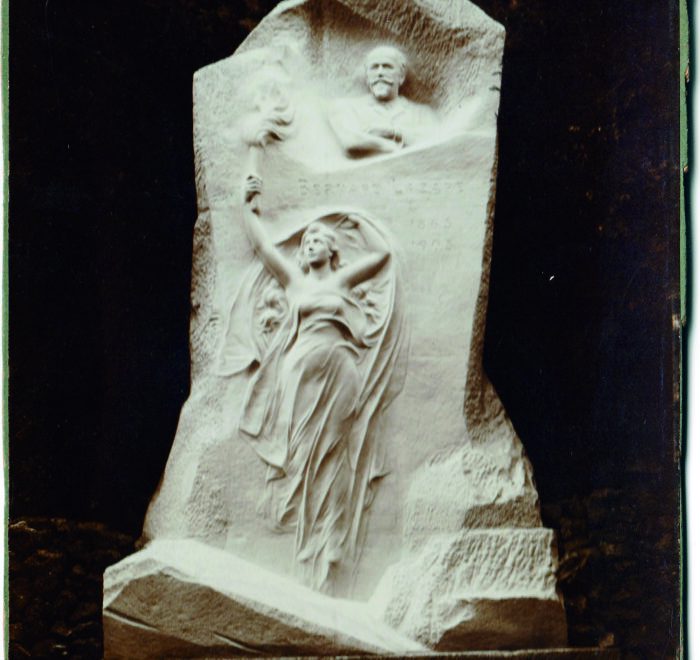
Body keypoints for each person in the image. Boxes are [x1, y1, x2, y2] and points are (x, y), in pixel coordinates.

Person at [233, 173, 405, 592]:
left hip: (341, 372)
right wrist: (247, 206)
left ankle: (332, 547)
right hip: (298, 377)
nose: (309, 244)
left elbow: (382, 255)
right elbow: (263, 247)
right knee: (301, 455)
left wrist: (354, 219)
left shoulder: (341, 282)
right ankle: (302, 543)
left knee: (334, 454)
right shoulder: (293, 282)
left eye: (317, 239)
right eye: (306, 240)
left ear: (332, 251)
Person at [329, 45, 439, 156]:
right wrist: (391, 147)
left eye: (387, 67)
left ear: (401, 76)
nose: (380, 73)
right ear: (367, 77)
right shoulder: (348, 107)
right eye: (374, 67)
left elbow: (435, 139)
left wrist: (392, 132)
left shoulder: (421, 112)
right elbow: (351, 140)